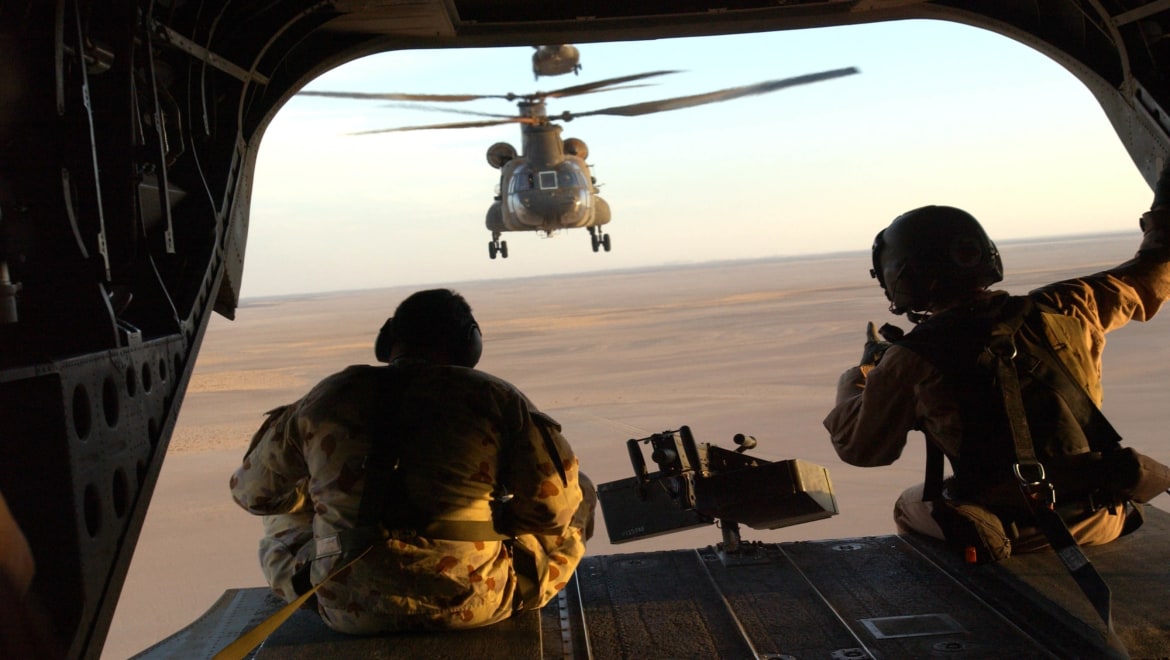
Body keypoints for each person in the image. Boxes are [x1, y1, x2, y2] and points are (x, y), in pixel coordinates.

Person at [823, 191, 1170, 559]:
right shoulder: (1069, 305)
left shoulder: (910, 360)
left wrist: (860, 376)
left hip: (1016, 530)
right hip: (1101, 516)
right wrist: (1162, 213)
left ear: (904, 278)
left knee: (909, 504)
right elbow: (1149, 273)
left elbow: (862, 449)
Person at [230, 288, 595, 634]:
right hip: (476, 602)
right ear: (471, 343)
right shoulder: (495, 398)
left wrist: (314, 500)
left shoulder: (326, 398)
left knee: (281, 515)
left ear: (388, 339)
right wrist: (494, 522)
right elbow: (552, 512)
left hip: (345, 607)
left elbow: (253, 495)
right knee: (579, 492)